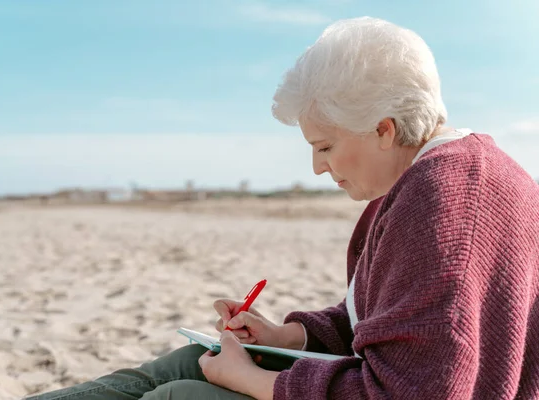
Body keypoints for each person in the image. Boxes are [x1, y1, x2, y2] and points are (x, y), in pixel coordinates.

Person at [28, 16, 539, 400]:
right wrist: (283, 336)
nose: (318, 167)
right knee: (192, 360)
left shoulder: (444, 200)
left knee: (177, 397)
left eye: (325, 146)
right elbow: (390, 326)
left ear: (383, 129)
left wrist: (256, 381)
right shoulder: (432, 176)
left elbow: (417, 389)